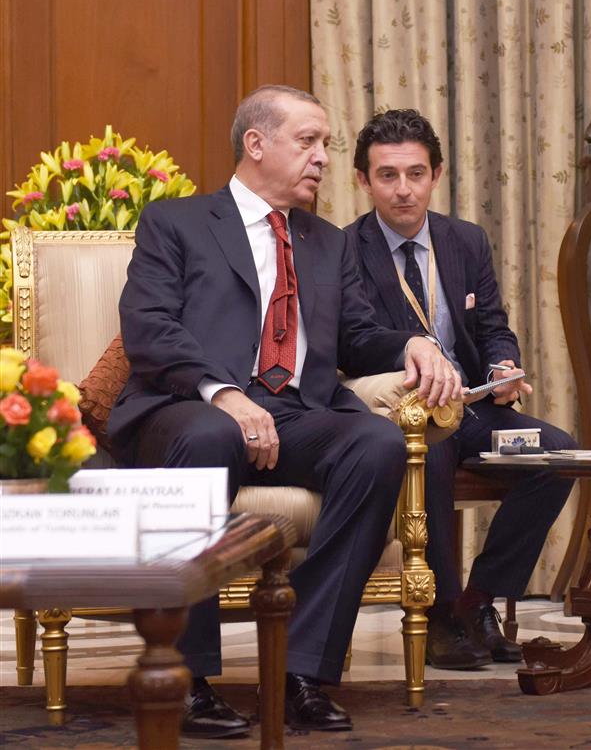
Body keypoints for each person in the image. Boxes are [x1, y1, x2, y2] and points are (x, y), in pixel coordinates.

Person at [111, 85, 459, 737]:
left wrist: (413, 339)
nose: (323, 157)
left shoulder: (329, 242)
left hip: (297, 409)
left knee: (376, 444)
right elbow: (150, 329)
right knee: (212, 434)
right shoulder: (177, 223)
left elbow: (357, 334)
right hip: (188, 405)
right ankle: (190, 679)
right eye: (309, 141)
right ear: (256, 144)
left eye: (325, 144)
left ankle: (300, 668)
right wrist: (228, 393)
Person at [344, 108, 574, 670]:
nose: (403, 190)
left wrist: (501, 367)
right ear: (363, 180)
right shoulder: (344, 250)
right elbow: (352, 342)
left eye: (416, 174)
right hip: (399, 412)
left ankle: (478, 599)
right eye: (388, 176)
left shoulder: (465, 240)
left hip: (470, 404)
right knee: (432, 458)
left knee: (557, 455)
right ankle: (443, 614)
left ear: (437, 174)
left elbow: (492, 324)